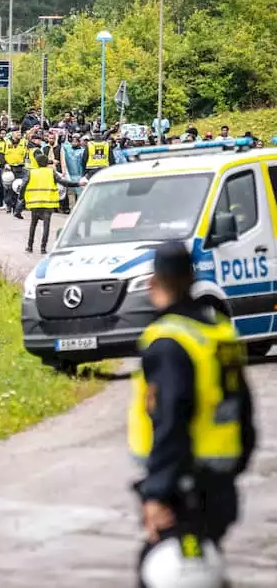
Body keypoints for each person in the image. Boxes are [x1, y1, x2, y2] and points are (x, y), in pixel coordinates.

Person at [130, 242, 255, 588]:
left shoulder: (169, 340)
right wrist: (231, 468)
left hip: (183, 488)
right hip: (219, 486)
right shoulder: (219, 333)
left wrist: (157, 492)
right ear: (192, 278)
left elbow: (171, 419)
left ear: (155, 283)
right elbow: (244, 412)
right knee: (202, 570)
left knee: (169, 574)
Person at [22, 152, 84, 254]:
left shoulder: (32, 172)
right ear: (47, 163)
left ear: (37, 163)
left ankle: (30, 246)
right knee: (46, 226)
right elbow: (64, 182)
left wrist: (21, 199)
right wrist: (78, 183)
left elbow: (23, 185)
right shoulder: (51, 172)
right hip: (48, 203)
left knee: (33, 224)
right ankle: (43, 248)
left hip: (35, 203)